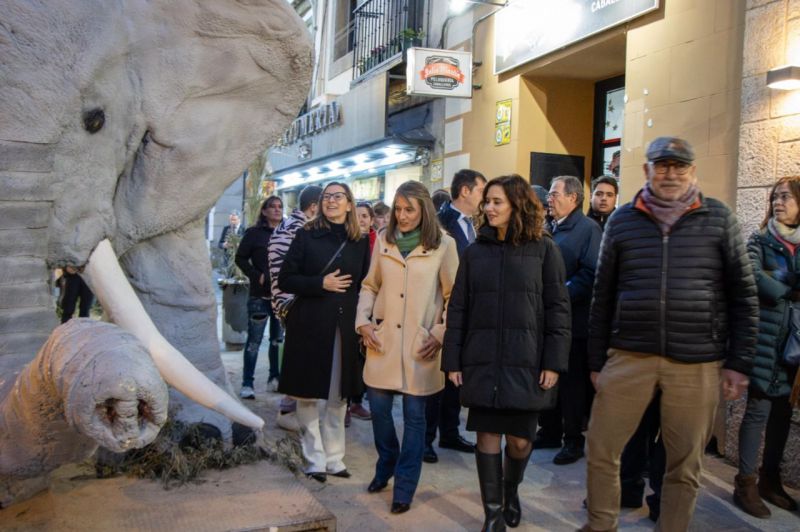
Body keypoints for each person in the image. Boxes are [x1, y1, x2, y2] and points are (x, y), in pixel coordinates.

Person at [582, 136, 758, 532]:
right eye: (662, 165)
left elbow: (744, 296)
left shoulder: (719, 219)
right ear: (647, 170)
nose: (671, 173)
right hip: (629, 355)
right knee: (601, 448)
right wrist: (597, 361)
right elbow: (602, 295)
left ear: (693, 171)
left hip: (696, 362)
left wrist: (738, 362)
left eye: (680, 166)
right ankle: (600, 524)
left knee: (684, 463)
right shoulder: (622, 220)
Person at [442, 175, 571, 531]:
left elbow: (558, 308)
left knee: (519, 441)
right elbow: (459, 309)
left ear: (517, 204)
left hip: (526, 362)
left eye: (497, 201)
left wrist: (554, 362)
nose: (488, 208)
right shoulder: (475, 252)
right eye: (487, 202)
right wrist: (452, 360)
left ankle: (511, 489)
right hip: (482, 360)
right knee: (486, 436)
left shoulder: (544, 249)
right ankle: (493, 513)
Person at [356, 181, 459, 514]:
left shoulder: (444, 245)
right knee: (381, 413)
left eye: (408, 209)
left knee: (415, 420)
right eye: (397, 209)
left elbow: (452, 296)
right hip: (383, 342)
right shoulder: (384, 240)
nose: (401, 216)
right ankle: (387, 460)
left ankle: (404, 486)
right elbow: (370, 285)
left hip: (421, 346)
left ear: (424, 210)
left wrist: (440, 332)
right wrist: (363, 322)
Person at [278, 182, 370, 482]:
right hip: (309, 324)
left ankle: (335, 458)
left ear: (349, 204)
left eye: (338, 197)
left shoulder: (359, 240)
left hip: (344, 329)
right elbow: (285, 279)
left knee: (337, 397)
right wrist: (320, 284)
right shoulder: (305, 234)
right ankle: (314, 459)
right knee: (307, 396)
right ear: (319, 204)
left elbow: (365, 285)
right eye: (326, 197)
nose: (331, 201)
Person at [733, 176, 800, 518]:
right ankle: (745, 482)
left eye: (786, 197)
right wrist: (788, 287)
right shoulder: (759, 239)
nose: (778, 202)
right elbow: (754, 278)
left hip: (795, 344)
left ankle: (770, 479)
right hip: (764, 339)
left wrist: (782, 280)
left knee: (783, 415)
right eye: (775, 197)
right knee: (757, 411)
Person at [536, 175, 601, 465]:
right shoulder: (550, 227)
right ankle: (548, 430)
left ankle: (573, 440)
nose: (550, 198)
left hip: (574, 322)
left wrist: (558, 295)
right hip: (548, 320)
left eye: (554, 194)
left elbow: (590, 274)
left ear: (573, 198)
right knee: (547, 377)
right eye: (549, 194)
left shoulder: (588, 230)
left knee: (572, 385)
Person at [424, 168, 487, 463]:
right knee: (433, 381)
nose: (484, 199)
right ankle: (425, 438)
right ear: (465, 191)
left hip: (466, 314)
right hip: (442, 312)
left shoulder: (474, 225)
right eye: (481, 192)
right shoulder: (441, 224)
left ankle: (449, 432)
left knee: (453, 377)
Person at [268, 184, 323, 431]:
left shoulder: (286, 225)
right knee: (301, 359)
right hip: (296, 302)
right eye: (325, 204)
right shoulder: (303, 229)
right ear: (313, 207)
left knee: (299, 357)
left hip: (283, 301)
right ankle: (288, 410)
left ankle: (291, 408)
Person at [236, 196, 284, 399]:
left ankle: (275, 378)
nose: (276, 210)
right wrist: (256, 275)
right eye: (272, 207)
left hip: (281, 297)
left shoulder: (288, 233)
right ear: (264, 211)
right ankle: (247, 383)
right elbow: (240, 258)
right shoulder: (254, 234)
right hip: (259, 297)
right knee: (254, 342)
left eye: (280, 207)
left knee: (277, 341)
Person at [347, 200, 377, 423]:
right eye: (357, 216)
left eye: (365, 215)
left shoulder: (381, 242)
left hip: (373, 308)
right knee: (349, 357)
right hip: (350, 305)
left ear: (372, 219)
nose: (361, 220)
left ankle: (357, 401)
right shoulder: (348, 241)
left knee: (364, 357)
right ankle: (344, 405)